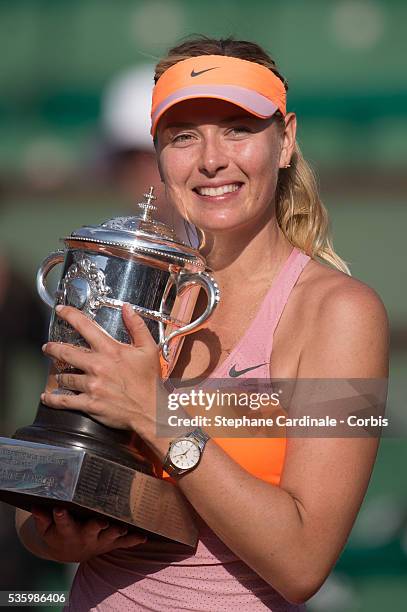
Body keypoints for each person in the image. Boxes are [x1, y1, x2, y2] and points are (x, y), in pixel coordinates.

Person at [15, 37, 389, 611]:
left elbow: (303, 563)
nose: (211, 159)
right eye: (183, 135)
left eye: (237, 129)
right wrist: (57, 534)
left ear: (285, 140)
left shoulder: (343, 314)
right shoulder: (129, 285)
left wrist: (155, 415)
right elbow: (40, 494)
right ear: (158, 156)